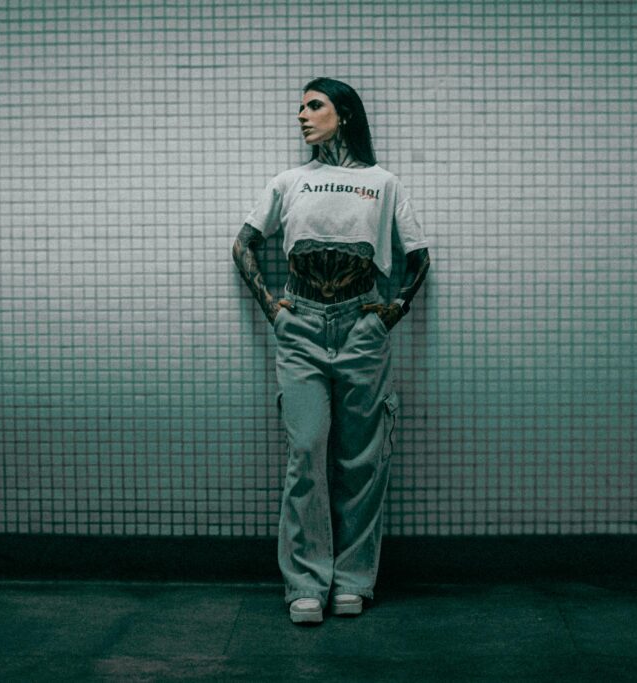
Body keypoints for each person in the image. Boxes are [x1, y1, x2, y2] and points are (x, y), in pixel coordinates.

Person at [232, 77, 431, 625]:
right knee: (306, 452)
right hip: (300, 325)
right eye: (300, 107)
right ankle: (305, 581)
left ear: (343, 115)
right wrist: (273, 309)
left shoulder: (382, 182)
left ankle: (353, 580)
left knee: (362, 460)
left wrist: (392, 312)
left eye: (313, 106)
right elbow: (243, 243)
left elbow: (419, 258)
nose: (301, 115)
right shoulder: (289, 181)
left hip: (362, 325)